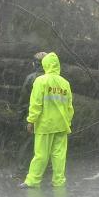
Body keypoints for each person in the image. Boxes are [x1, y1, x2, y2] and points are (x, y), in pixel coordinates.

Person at [21, 52, 74, 188]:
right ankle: (58, 181)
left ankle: (32, 181)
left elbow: (36, 104)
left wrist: (31, 120)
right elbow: (69, 106)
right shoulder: (65, 83)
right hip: (61, 124)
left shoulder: (41, 81)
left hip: (45, 124)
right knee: (59, 155)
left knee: (41, 154)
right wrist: (67, 121)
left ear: (45, 64)